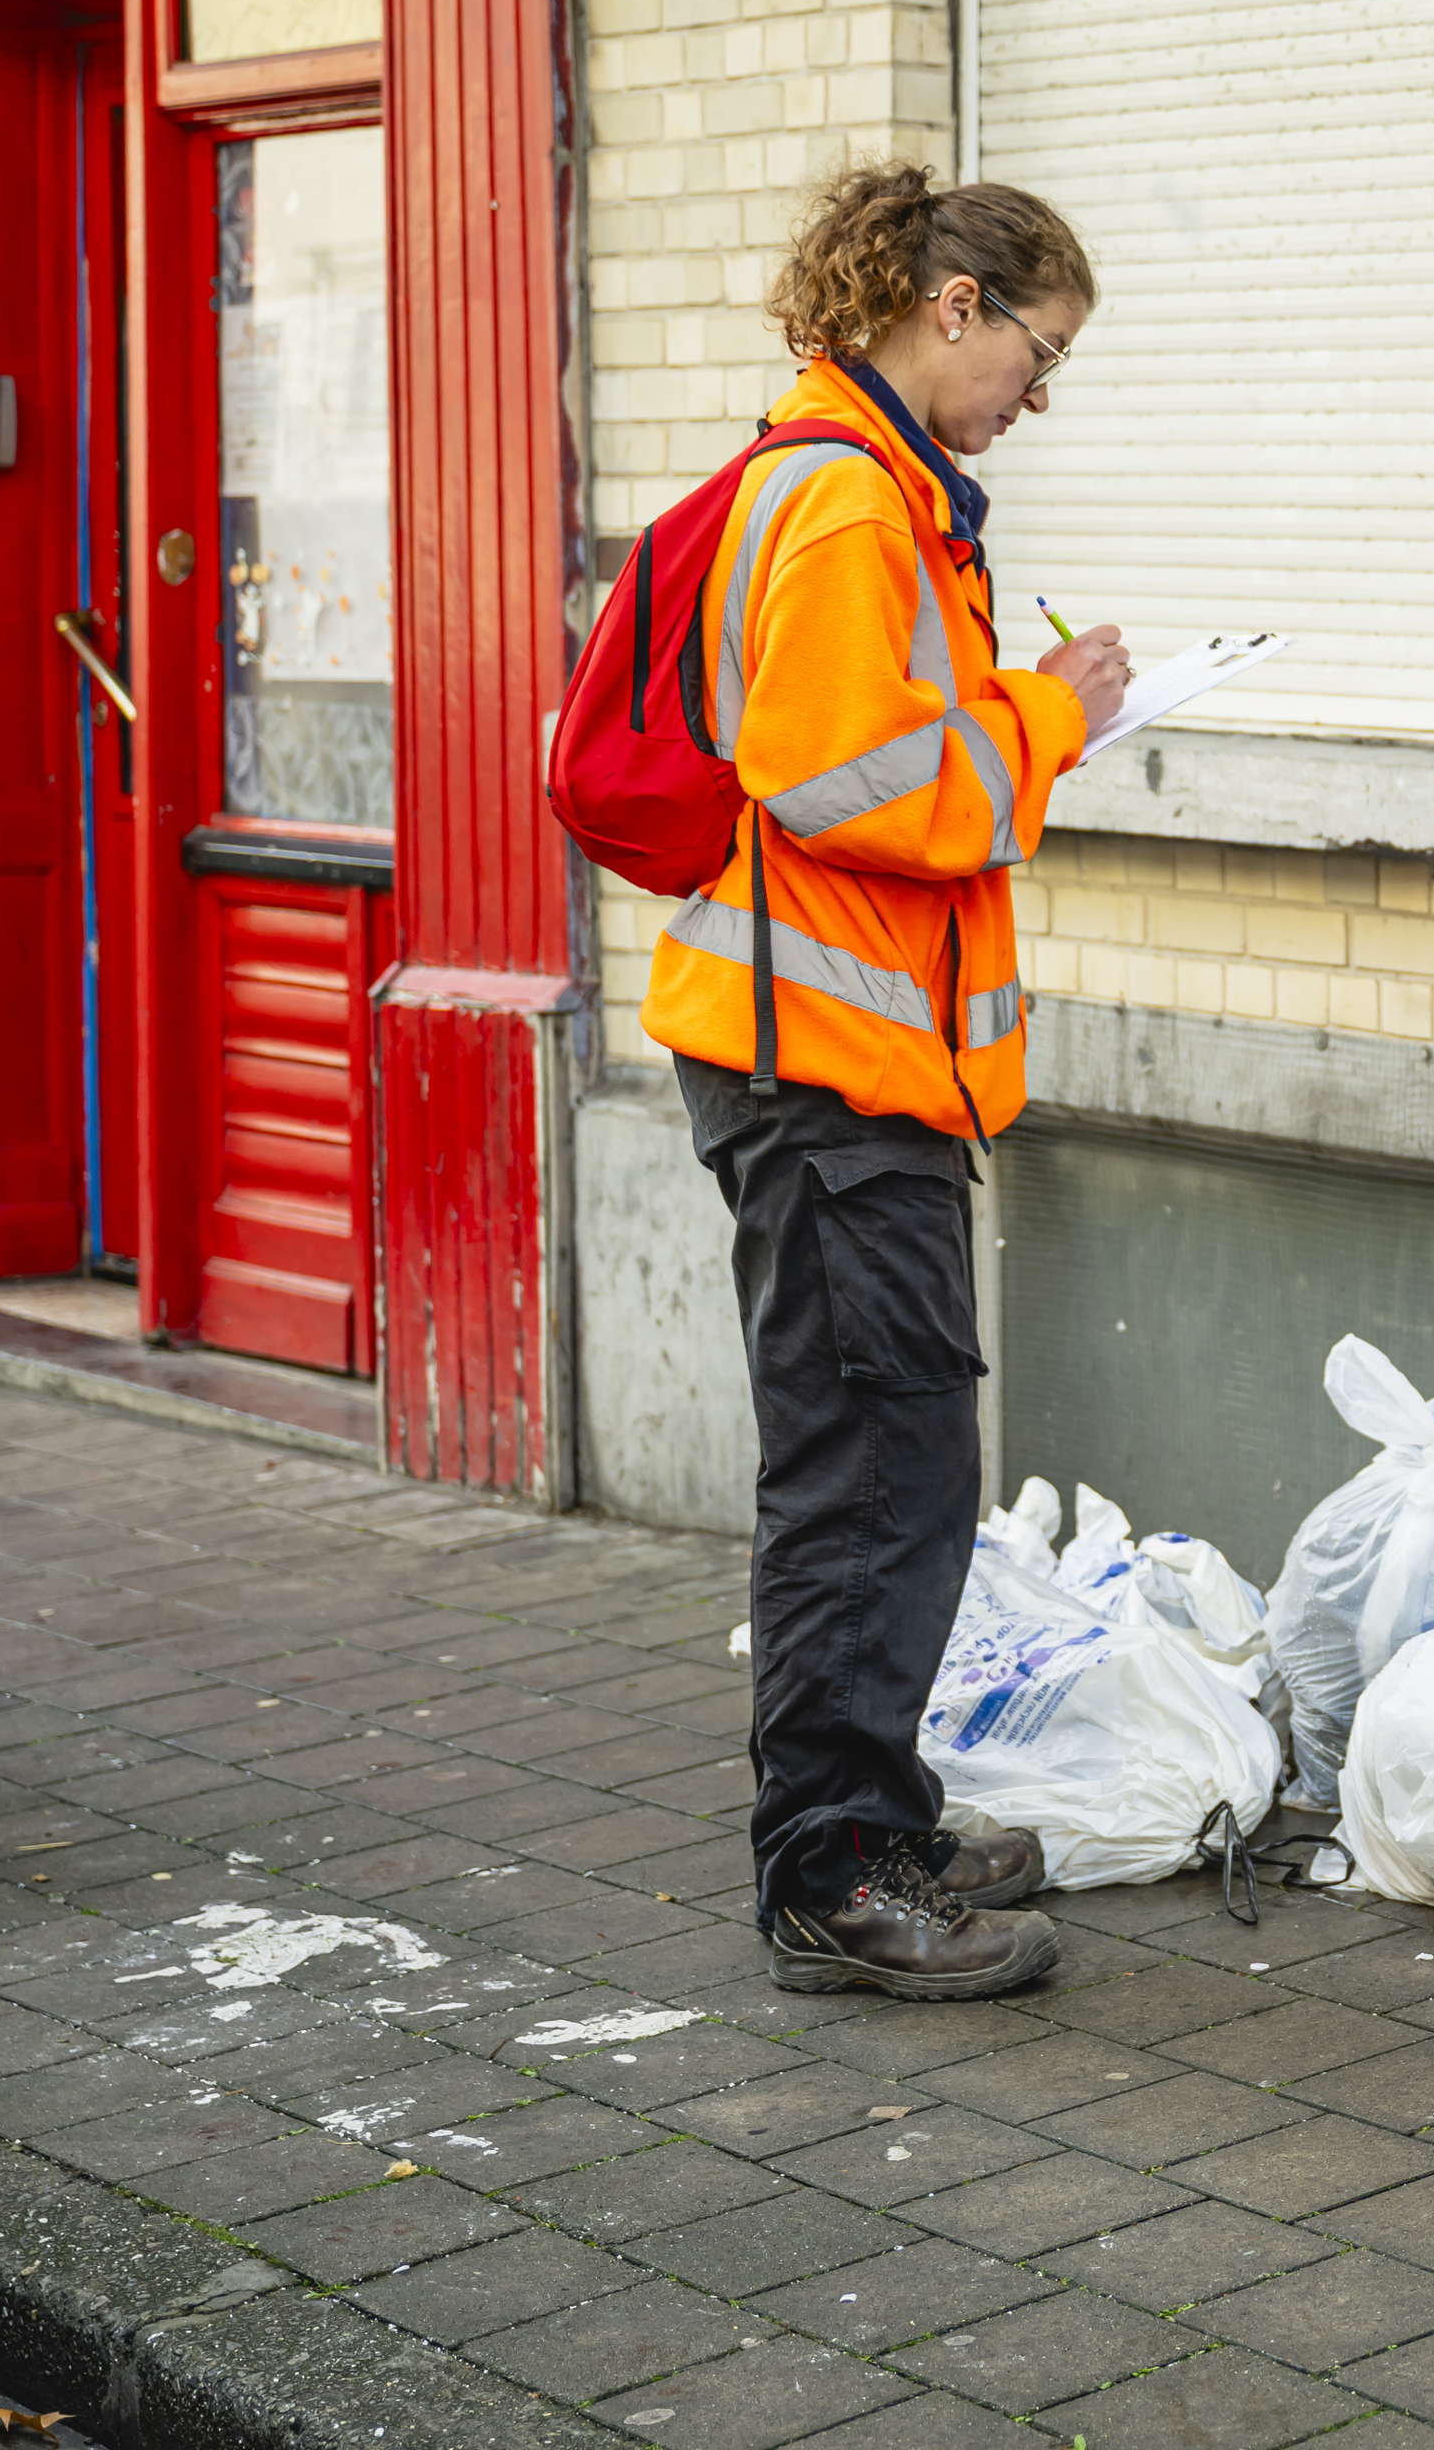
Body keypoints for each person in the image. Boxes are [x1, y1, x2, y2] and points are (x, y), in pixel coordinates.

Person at [642, 162, 1127, 1999]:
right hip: (823, 1076)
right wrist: (1054, 711)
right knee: (870, 1472)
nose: (1035, 394)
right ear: (951, 306)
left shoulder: (868, 486)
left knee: (890, 1460)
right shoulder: (847, 504)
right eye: (1039, 352)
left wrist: (1007, 707)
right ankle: (835, 1874)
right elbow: (854, 784)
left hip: (838, 1069)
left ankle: (871, 1813)